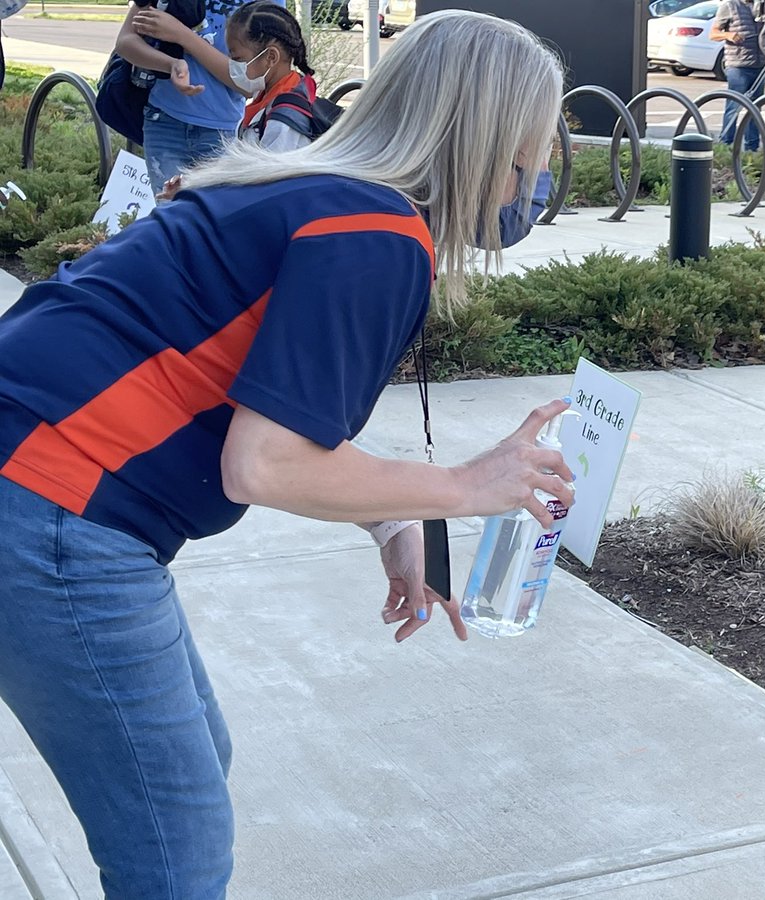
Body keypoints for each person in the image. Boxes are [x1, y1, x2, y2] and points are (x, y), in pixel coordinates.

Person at [0, 11, 568, 897]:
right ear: (481, 140)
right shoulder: (373, 232)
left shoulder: (287, 185)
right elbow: (262, 465)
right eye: (525, 156)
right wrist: (462, 486)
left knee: (191, 768)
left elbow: (274, 413)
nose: (528, 182)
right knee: (174, 853)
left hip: (39, 487)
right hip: (56, 507)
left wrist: (392, 521)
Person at [117, 0, 262, 192]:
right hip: (164, 123)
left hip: (223, 132)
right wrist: (170, 64)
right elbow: (125, 41)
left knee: (216, 218)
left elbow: (250, 85)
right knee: (170, 218)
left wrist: (182, 35)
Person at [710, 0, 765, 153]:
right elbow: (713, 33)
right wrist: (728, 35)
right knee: (733, 107)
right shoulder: (729, 5)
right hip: (738, 65)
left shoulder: (762, 5)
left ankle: (752, 148)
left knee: (755, 108)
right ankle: (726, 145)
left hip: (760, 64)